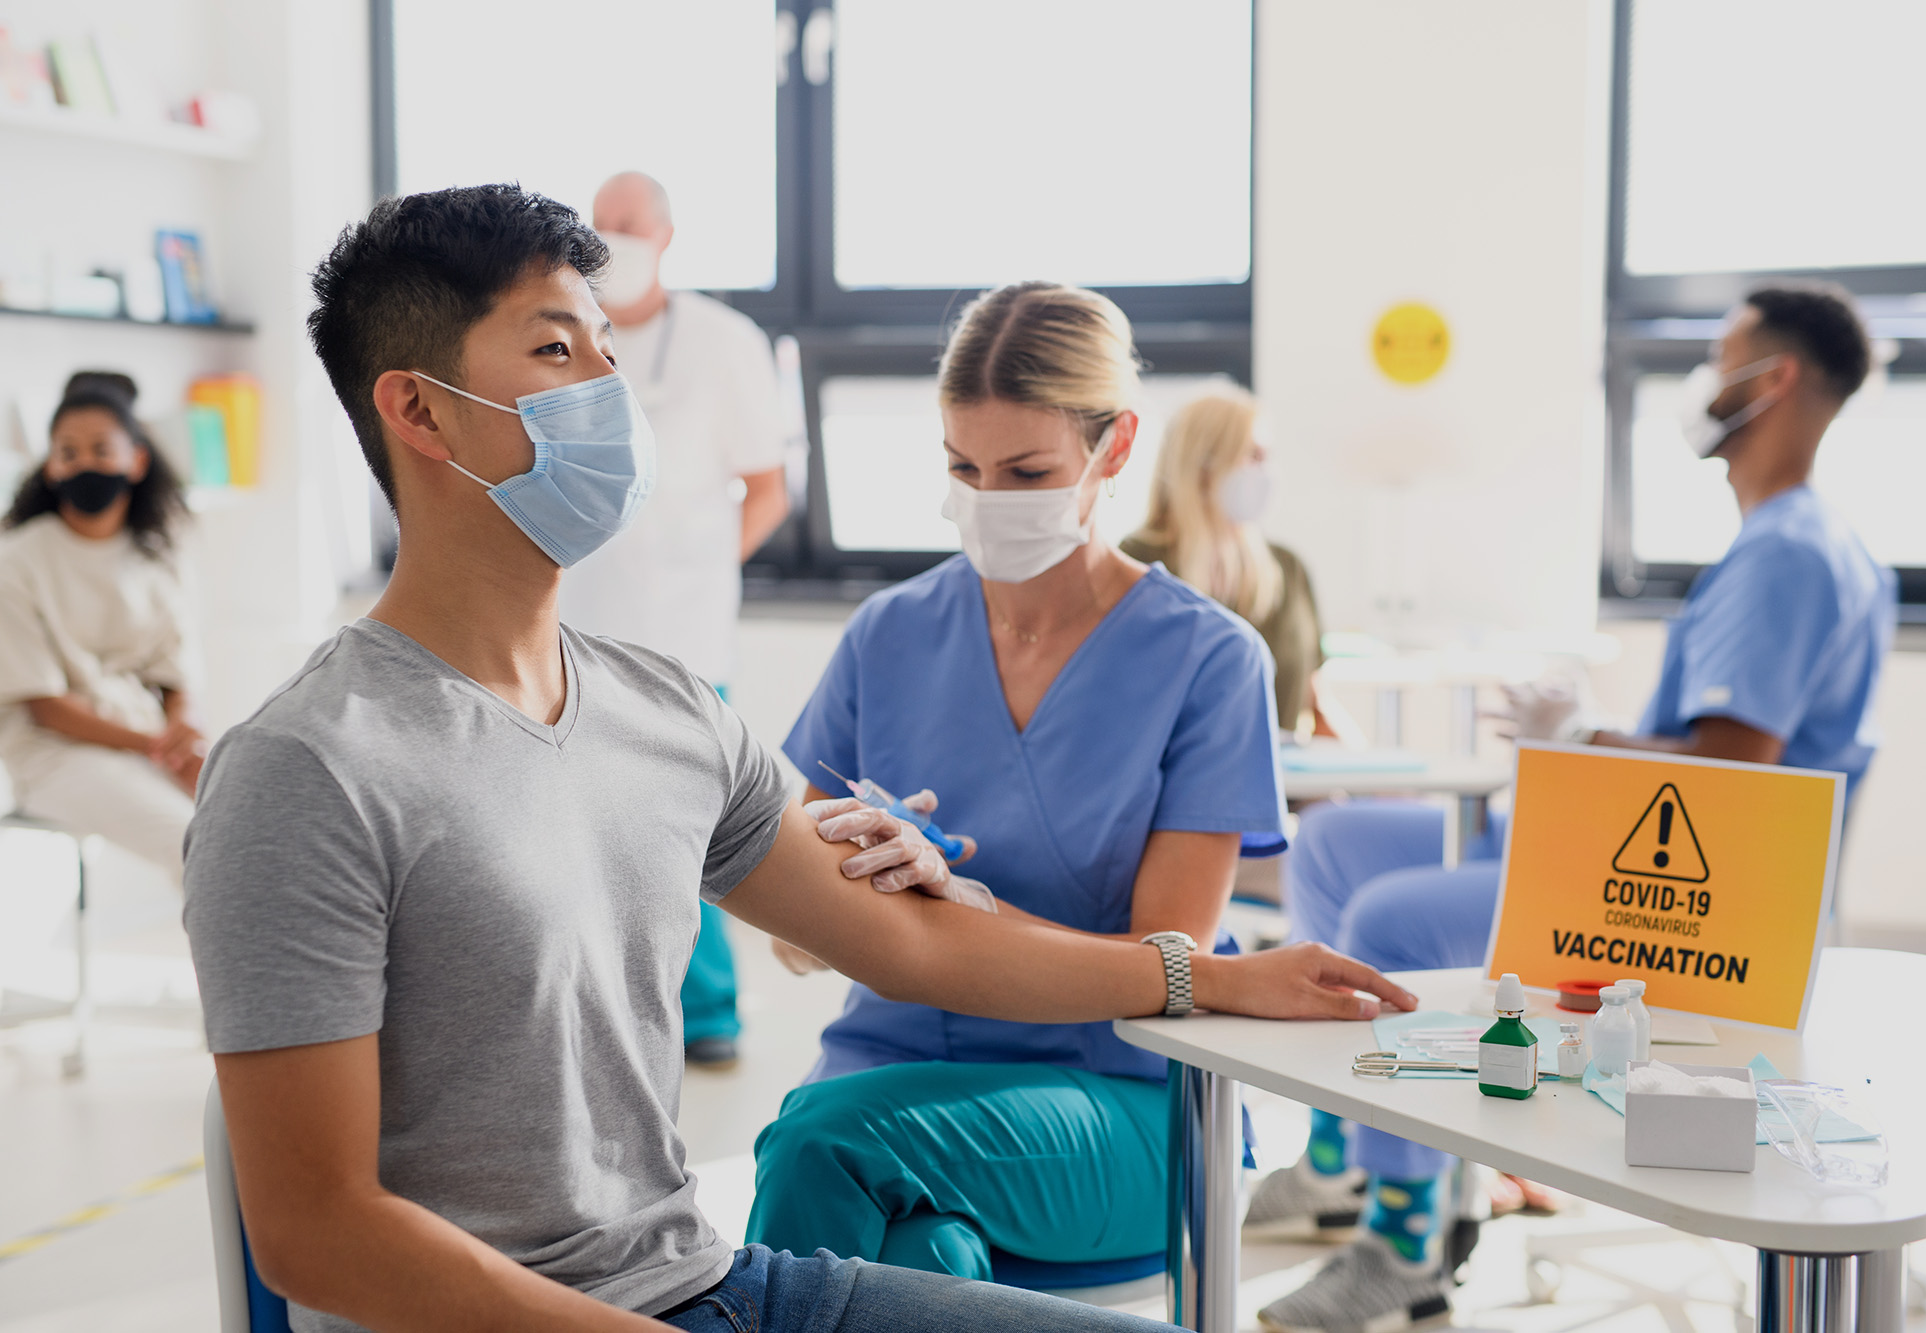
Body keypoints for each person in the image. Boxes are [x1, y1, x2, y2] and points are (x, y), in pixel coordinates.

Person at [182, 185, 1419, 1333]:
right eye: (558, 351)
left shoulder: (667, 712)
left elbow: (912, 939)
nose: (609, 389)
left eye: (609, 351)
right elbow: (312, 1232)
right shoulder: (308, 769)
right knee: (853, 1162)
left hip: (716, 1281)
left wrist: (1202, 976)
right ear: (416, 409)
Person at [1250, 283, 1896, 1333]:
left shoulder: (1785, 553)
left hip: (1693, 900)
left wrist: (1581, 735)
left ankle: (1405, 1240)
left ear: (1770, 380)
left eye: (1719, 357)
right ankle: (1343, 1162)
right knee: (1335, 842)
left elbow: (1736, 766)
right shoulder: (1803, 541)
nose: (1701, 382)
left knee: (1387, 923)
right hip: (1633, 850)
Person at [744, 283, 1295, 1283]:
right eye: (963, 466)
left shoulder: (1207, 662)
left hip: (1108, 1101)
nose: (988, 497)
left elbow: (1163, 967)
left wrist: (958, 907)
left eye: (1026, 470)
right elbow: (790, 939)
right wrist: (862, 884)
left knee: (821, 1141)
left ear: (1114, 447)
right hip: (893, 1081)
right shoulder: (890, 635)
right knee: (923, 1262)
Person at [559, 170, 791, 1070]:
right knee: (581, 823)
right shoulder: (565, 334)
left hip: (686, 627)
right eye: (602, 223)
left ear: (667, 235)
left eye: (630, 224)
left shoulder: (725, 343)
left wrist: (696, 570)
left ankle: (708, 1013)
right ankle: (598, 1011)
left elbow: (768, 486)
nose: (615, 237)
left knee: (690, 822)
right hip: (576, 618)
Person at [0, 372, 202, 882]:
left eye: (99, 449)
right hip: (55, 755)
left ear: (136, 460)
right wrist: (155, 748)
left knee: (257, 824)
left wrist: (182, 736)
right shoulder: (17, 561)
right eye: (67, 452)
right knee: (195, 845)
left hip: (143, 742)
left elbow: (173, 677)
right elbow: (45, 708)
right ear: (49, 466)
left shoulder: (153, 559)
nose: (83, 463)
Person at [1121, 386, 1346, 739]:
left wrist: (1378, 776)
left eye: (1267, 456)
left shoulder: (1288, 569)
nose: (1265, 471)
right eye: (1252, 456)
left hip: (1284, 783)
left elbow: (1315, 703)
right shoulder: (1137, 562)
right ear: (1204, 462)